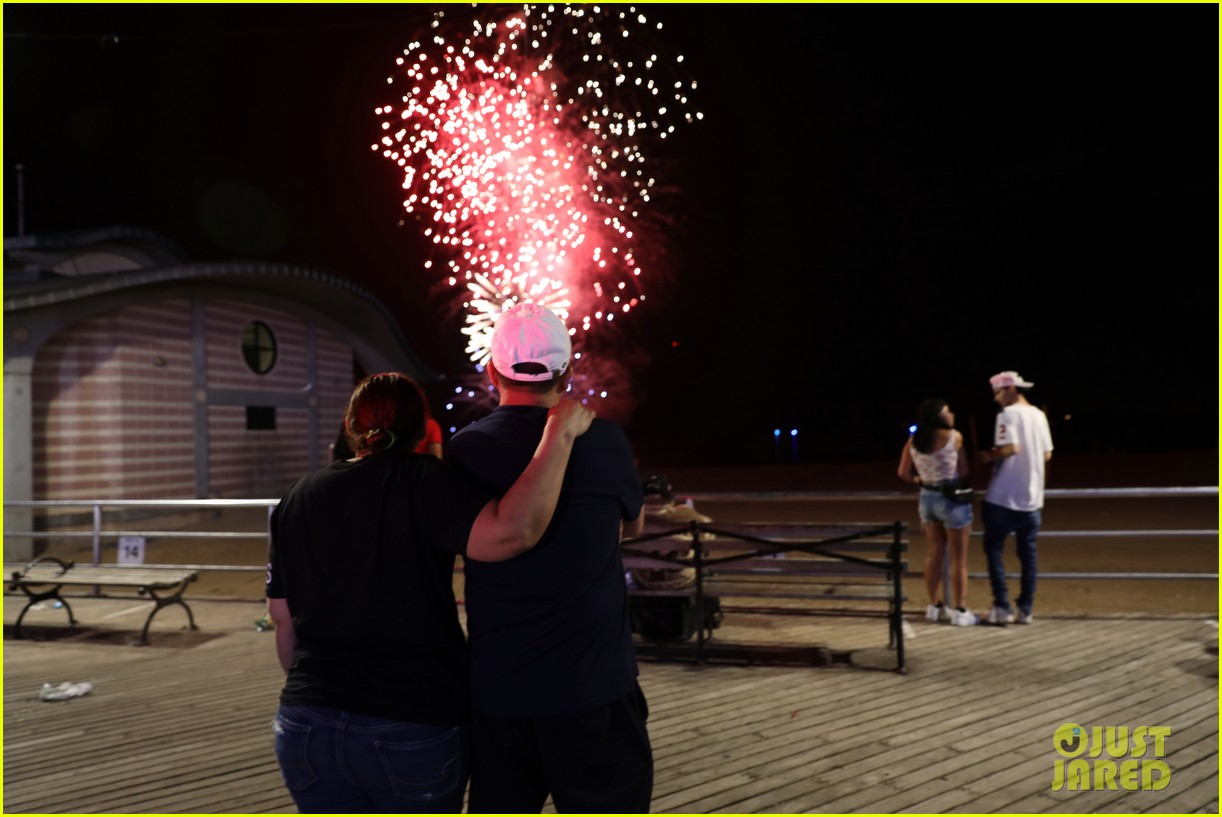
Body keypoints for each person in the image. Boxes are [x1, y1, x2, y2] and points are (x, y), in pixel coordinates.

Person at [265, 371, 594, 813]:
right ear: (422, 430)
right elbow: (512, 533)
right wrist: (559, 433)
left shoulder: (296, 497)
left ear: (350, 426)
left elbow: (281, 618)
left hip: (305, 722)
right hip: (411, 719)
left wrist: (319, 694)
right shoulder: (424, 481)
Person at [446, 303, 651, 813]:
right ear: (568, 369)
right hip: (594, 688)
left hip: (501, 691)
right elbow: (634, 525)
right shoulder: (605, 440)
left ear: (491, 370)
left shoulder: (466, 450)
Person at [978, 370, 1053, 626]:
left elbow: (1011, 448)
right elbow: (1046, 454)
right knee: (1028, 556)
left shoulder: (1007, 414)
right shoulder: (1039, 415)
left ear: (1010, 389)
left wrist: (988, 456)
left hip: (1003, 496)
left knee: (994, 550)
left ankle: (1002, 606)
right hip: (1032, 498)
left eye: (998, 393)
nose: (996, 399)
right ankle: (1025, 609)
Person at [897, 399, 978, 627]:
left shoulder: (914, 440)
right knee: (958, 558)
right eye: (947, 412)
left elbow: (903, 473)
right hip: (951, 499)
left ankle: (935, 605)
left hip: (927, 498)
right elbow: (963, 470)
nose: (952, 415)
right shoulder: (954, 437)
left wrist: (919, 479)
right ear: (938, 417)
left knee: (933, 555)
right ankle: (960, 610)